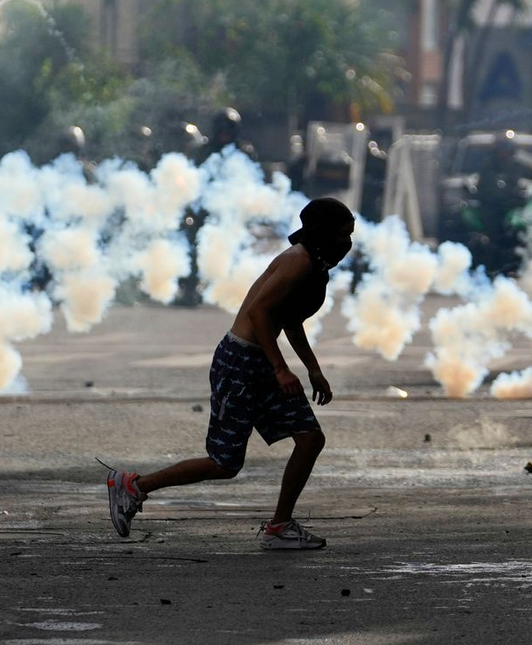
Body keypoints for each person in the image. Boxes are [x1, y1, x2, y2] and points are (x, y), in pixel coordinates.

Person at [102, 196, 354, 551]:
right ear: (323, 233)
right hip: (241, 361)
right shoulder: (297, 262)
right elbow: (259, 314)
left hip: (261, 361)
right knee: (224, 463)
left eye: (350, 235)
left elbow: (291, 320)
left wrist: (313, 370)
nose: (347, 243)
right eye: (342, 234)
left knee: (310, 439)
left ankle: (279, 527)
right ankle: (134, 486)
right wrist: (281, 369)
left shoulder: (314, 266)